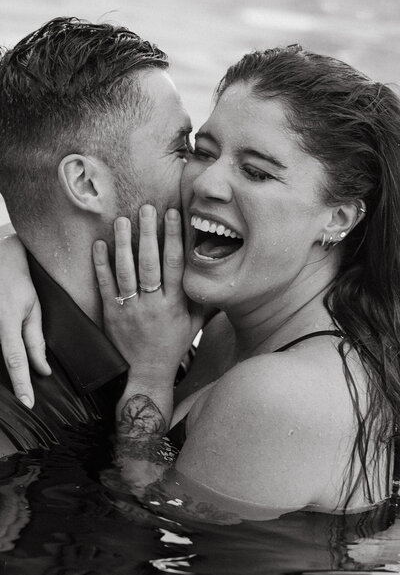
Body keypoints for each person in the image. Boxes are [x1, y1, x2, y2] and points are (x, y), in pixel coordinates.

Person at [2, 44, 400, 517]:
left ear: (336, 218)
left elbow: (153, 537)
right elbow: (61, 217)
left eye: (256, 172)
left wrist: (150, 375)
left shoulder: (279, 395)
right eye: (201, 151)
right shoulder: (233, 319)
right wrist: (14, 244)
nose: (207, 183)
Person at [0, 17, 197, 455]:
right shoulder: (12, 426)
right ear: (87, 184)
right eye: (182, 149)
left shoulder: (168, 307)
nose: (208, 179)